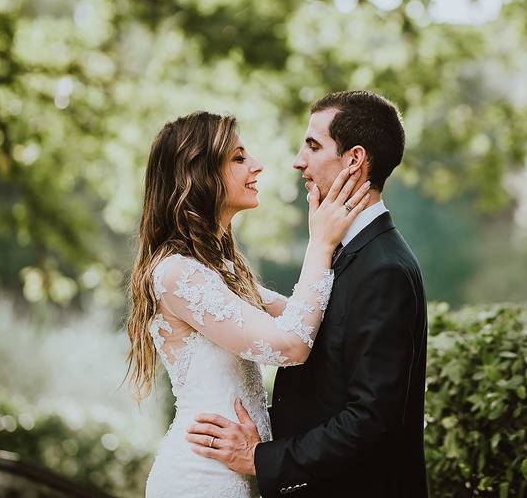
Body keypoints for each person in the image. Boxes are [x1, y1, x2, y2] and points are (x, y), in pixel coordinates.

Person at [188, 90, 429, 497]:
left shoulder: (383, 267)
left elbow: (371, 418)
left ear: (354, 159)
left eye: (313, 146)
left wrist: (260, 459)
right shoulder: (343, 252)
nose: (298, 161)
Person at [125, 111, 371, 498]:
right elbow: (290, 345)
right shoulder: (176, 274)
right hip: (200, 479)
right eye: (238, 158)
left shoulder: (218, 268)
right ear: (198, 174)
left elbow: (299, 316)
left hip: (237, 472)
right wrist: (320, 245)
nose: (257, 165)